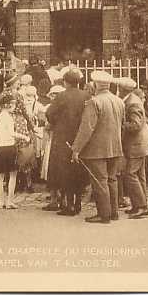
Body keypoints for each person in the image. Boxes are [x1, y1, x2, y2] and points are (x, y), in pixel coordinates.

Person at [71, 70, 125, 224]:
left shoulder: (94, 102)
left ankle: (104, 214)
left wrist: (76, 149)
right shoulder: (119, 101)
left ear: (96, 85)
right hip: (115, 147)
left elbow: (87, 128)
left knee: (99, 181)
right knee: (112, 180)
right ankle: (113, 212)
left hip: (97, 150)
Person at [46, 68, 89, 216]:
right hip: (81, 138)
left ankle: (69, 205)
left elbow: (49, 113)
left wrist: (57, 123)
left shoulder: (62, 96)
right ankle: (77, 204)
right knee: (79, 171)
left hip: (63, 138)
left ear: (66, 82)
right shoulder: (86, 95)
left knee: (65, 172)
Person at [117, 77, 148, 220]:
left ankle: (141, 207)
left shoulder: (132, 103)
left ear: (122, 89)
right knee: (139, 175)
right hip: (140, 144)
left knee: (130, 174)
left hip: (136, 145)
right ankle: (140, 205)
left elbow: (136, 125)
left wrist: (121, 124)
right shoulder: (132, 100)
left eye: (118, 88)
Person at [0, 92, 30, 209]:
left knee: (0, 175)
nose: (14, 107)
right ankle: (9, 201)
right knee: (12, 175)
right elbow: (11, 133)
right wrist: (24, 136)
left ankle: (1, 201)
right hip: (9, 147)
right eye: (13, 105)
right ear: (8, 105)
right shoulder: (8, 118)